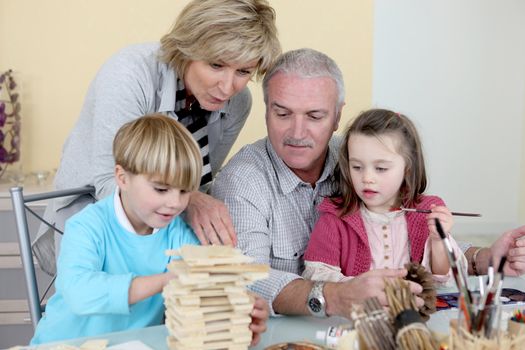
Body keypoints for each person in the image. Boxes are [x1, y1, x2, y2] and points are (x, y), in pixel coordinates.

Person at [33, 0, 281, 275]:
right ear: (188, 49)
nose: (227, 87)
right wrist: (191, 201)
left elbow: (196, 182)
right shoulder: (129, 74)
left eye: (243, 71)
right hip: (95, 230)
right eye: (216, 65)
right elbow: (110, 184)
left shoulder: (238, 102)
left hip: (165, 228)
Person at [211, 49, 426, 320]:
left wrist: (478, 257)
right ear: (267, 112)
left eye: (314, 116)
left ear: (337, 117)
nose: (297, 133)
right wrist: (334, 296)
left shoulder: (356, 161)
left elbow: (410, 222)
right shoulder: (241, 181)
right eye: (283, 114)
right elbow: (247, 278)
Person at [31, 114, 269, 345]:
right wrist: (167, 279)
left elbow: (203, 293)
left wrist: (239, 313)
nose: (175, 203)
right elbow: (79, 292)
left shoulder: (178, 233)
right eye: (161, 190)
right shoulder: (88, 226)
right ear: (122, 178)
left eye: (185, 191)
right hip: (65, 344)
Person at [302, 108, 466, 284]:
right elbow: (316, 277)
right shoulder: (334, 219)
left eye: (380, 168)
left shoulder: (425, 215)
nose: (367, 178)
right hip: (359, 310)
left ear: (407, 169)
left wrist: (438, 240)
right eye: (357, 167)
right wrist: (357, 287)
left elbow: (444, 280)